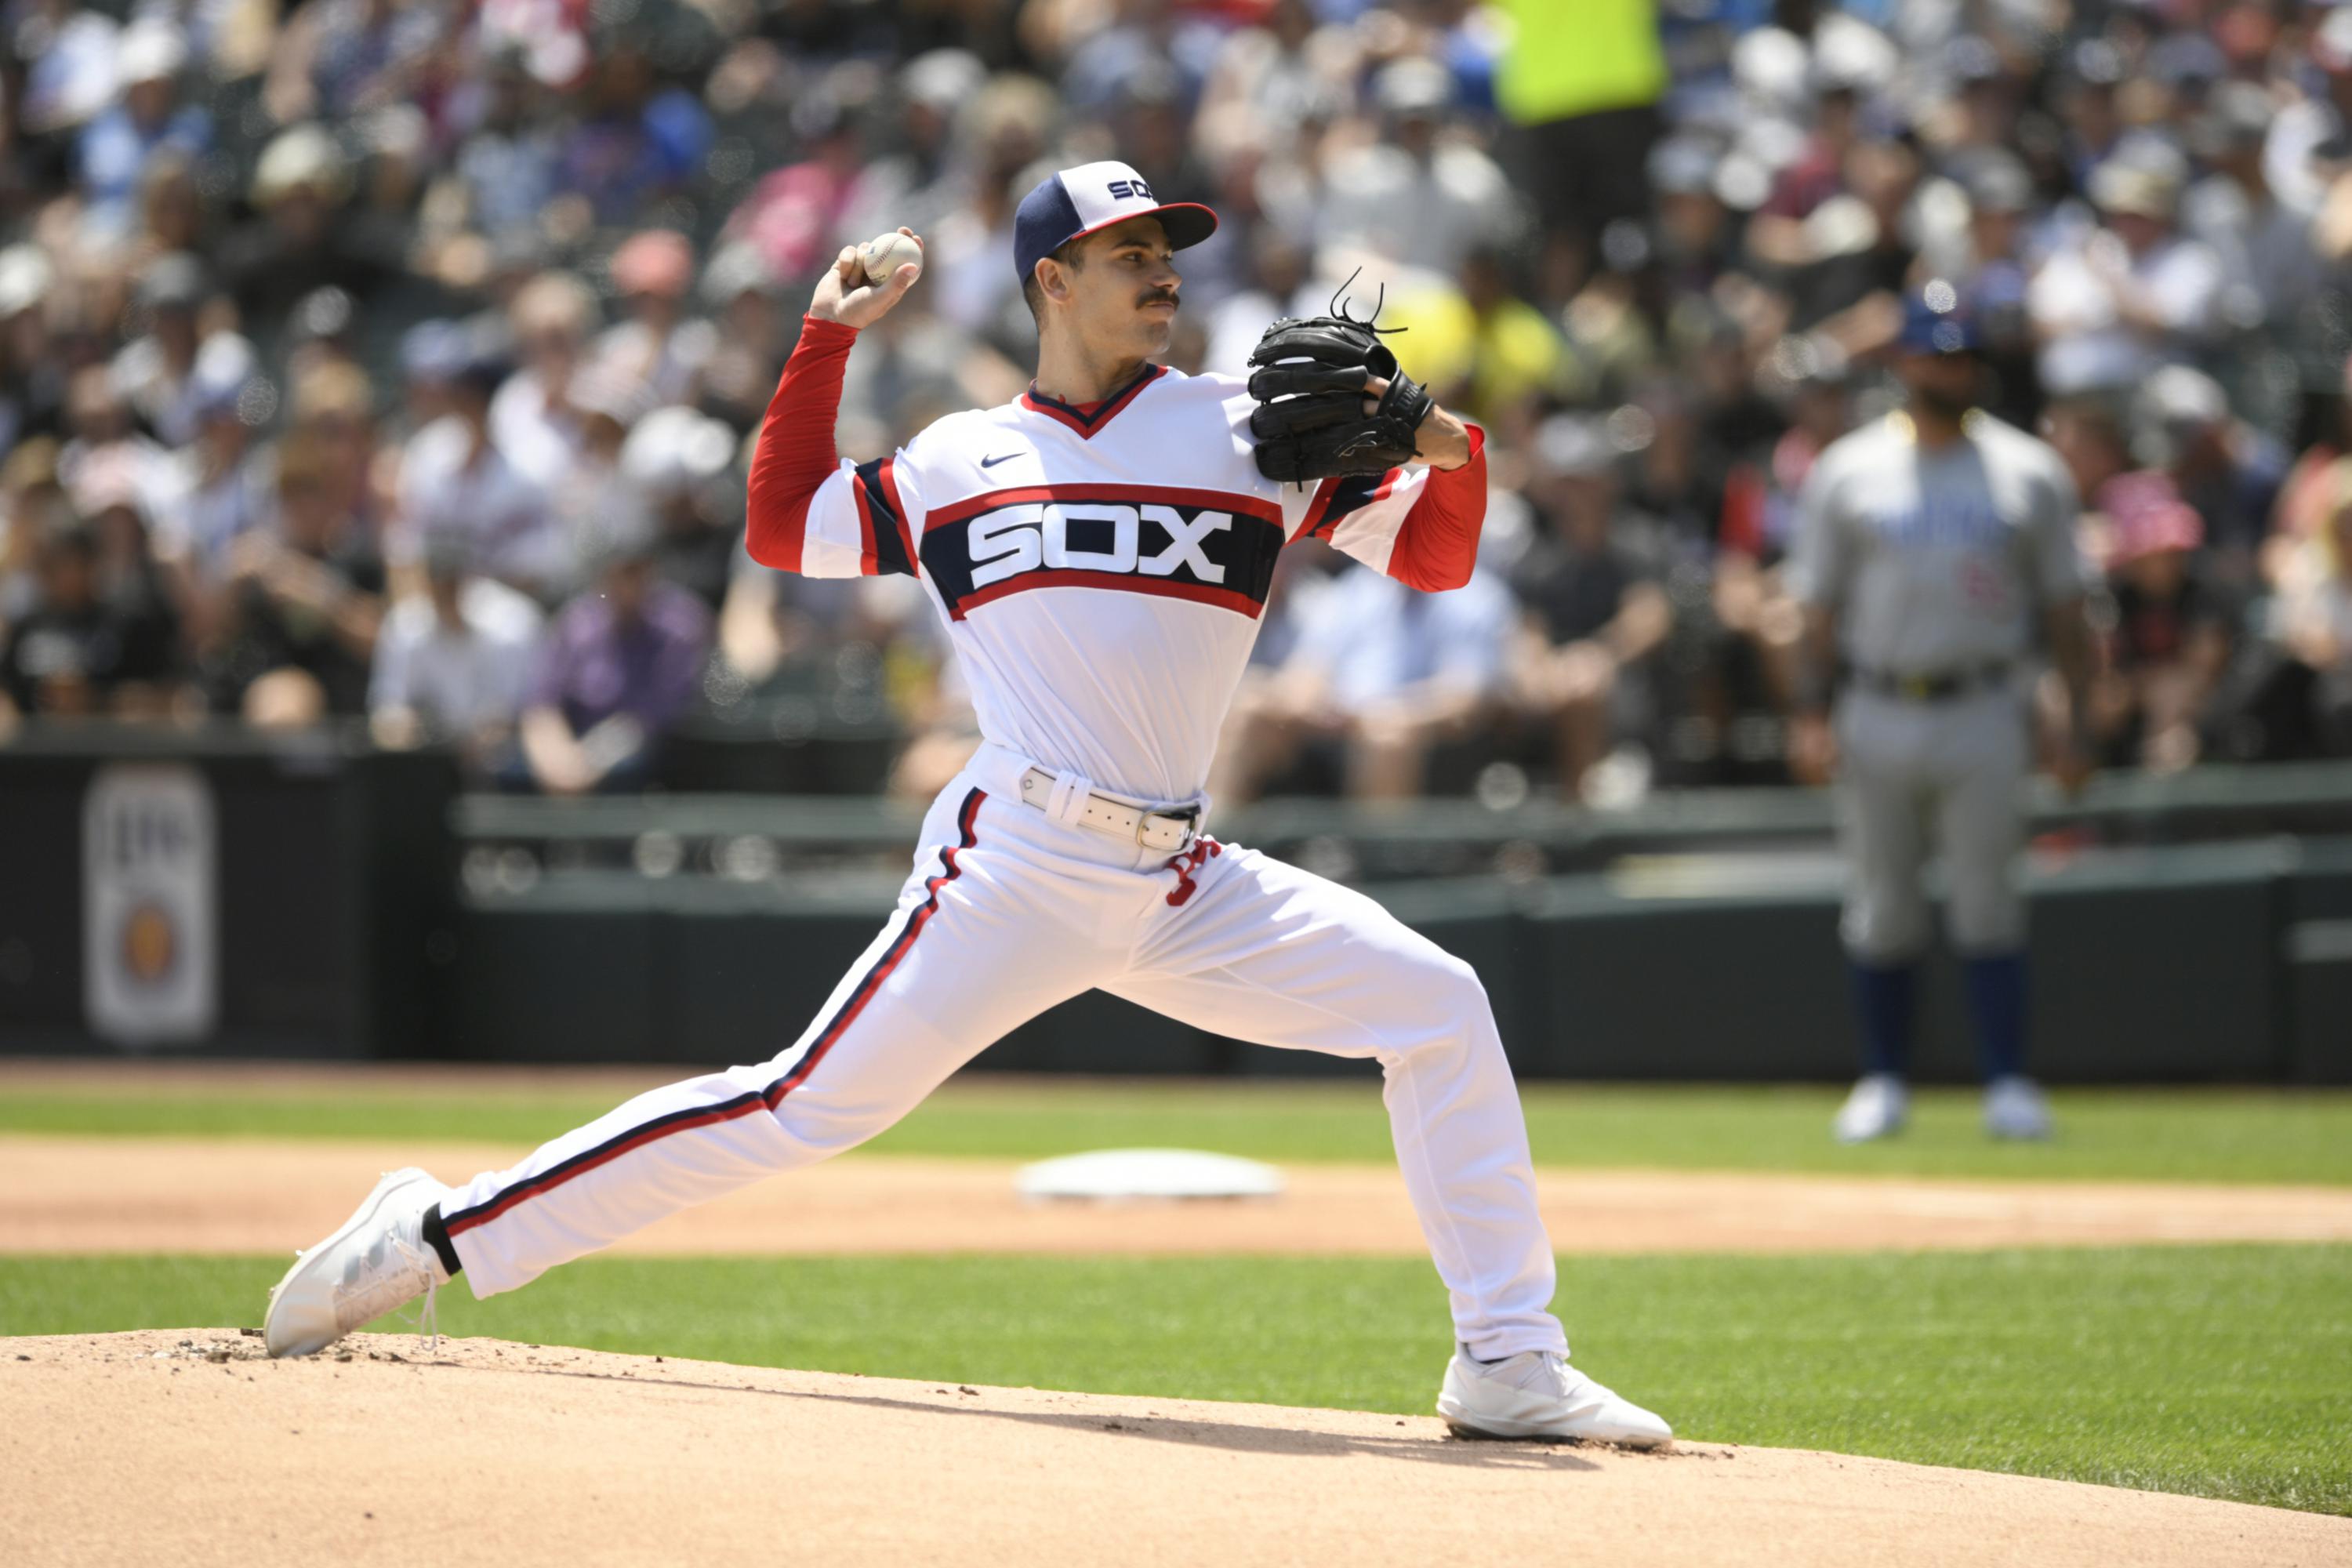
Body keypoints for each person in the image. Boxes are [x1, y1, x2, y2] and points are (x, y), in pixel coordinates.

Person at [263, 161, 1672, 1450]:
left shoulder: (1249, 435)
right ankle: (436, 1232)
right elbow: (780, 525)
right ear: (1051, 281)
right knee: (795, 1105)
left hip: (1183, 877)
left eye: (1170, 248)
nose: (1163, 270)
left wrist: (1439, 431)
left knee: (1438, 1005)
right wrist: (825, 338)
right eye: (1129, 250)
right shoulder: (954, 460)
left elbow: (1434, 555)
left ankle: (1506, 1359)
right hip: (1018, 865)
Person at [1787, 284, 2097, 1145]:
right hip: (1876, 697)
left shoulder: (2029, 467)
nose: (1948, 367)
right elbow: (1813, 612)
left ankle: (2006, 1080)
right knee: (1882, 903)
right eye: (1934, 352)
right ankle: (1884, 1079)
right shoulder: (1850, 466)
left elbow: (2068, 612)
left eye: (1961, 354)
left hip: (1986, 697)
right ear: (1904, 361)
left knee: (1988, 901)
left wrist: (2075, 717)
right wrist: (1810, 710)